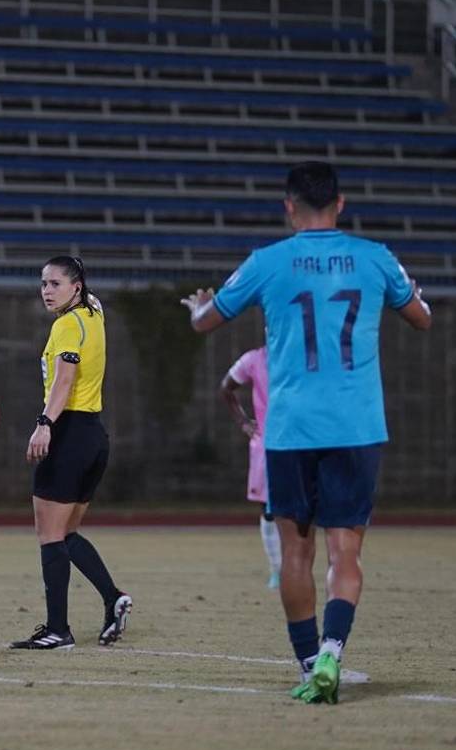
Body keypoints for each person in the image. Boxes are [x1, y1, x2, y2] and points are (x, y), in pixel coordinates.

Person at [182, 161, 432, 704]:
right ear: (341, 204)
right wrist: (414, 293)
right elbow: (421, 317)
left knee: (296, 555)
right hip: (357, 426)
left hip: (291, 429)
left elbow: (207, 321)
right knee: (347, 555)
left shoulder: (268, 262)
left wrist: (199, 308)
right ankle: (332, 652)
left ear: (288, 206)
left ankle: (305, 665)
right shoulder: (375, 258)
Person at [10, 256, 132, 651]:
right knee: (67, 533)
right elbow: (90, 297)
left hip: (68, 434)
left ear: (76, 287)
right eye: (43, 283)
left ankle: (57, 630)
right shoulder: (94, 311)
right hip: (94, 435)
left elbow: (65, 379)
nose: (47, 291)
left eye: (56, 284)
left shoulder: (66, 324)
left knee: (49, 535)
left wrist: (45, 423)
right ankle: (113, 598)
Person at [219, 345, 283, 589]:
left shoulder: (303, 355)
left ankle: (297, 565)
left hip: (300, 441)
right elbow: (226, 387)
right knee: (268, 509)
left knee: (302, 509)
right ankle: (277, 569)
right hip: (266, 446)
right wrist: (243, 421)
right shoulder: (254, 359)